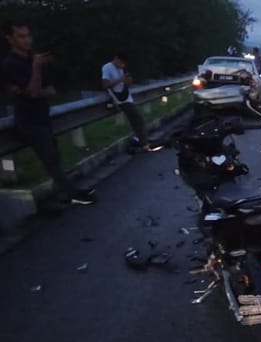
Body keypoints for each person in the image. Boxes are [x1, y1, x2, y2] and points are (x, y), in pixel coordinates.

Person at [1, 20, 96, 205]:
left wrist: (31, 89)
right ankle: (72, 194)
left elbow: (49, 90)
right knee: (50, 158)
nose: (27, 40)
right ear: (10, 39)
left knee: (54, 155)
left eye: (28, 35)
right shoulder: (11, 63)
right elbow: (34, 91)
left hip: (43, 115)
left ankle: (62, 193)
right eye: (21, 36)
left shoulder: (32, 59)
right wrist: (35, 72)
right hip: (29, 120)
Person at [101, 53, 151, 152]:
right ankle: (143, 143)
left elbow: (127, 83)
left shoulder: (122, 68)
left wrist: (128, 81)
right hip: (118, 98)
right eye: (121, 63)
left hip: (125, 95)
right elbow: (105, 85)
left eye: (124, 64)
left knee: (136, 119)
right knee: (137, 118)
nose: (122, 66)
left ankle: (141, 141)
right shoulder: (107, 68)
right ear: (116, 59)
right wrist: (120, 80)